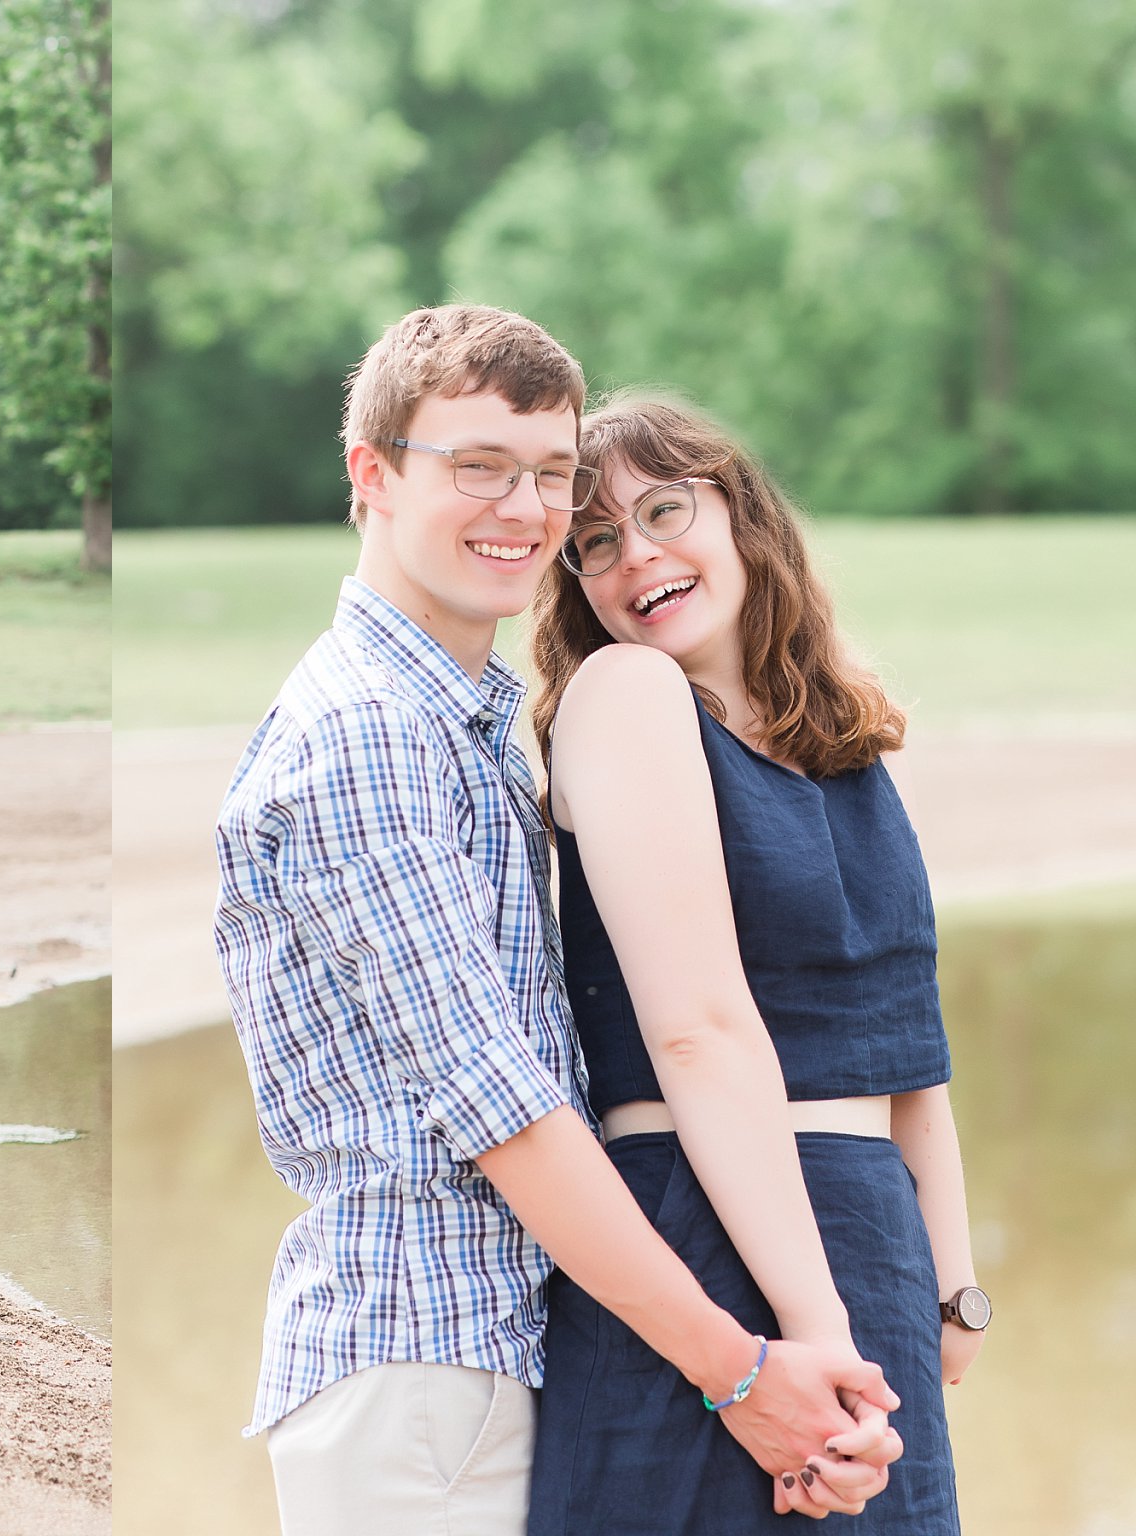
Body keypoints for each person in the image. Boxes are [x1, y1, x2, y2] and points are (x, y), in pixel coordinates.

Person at [212, 306, 901, 1535]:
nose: (522, 510)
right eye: (477, 468)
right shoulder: (366, 734)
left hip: (505, 1347)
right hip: (419, 1370)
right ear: (370, 475)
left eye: (545, 475)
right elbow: (506, 1112)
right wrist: (738, 1371)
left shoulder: (462, 719)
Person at [524, 396, 982, 1532]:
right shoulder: (625, 695)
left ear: (740, 512)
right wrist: (812, 1327)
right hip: (716, 1236)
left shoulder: (841, 747)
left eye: (663, 508)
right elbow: (695, 1032)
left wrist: (949, 1289)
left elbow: (906, 1051)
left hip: (863, 1243)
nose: (636, 555)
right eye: (594, 541)